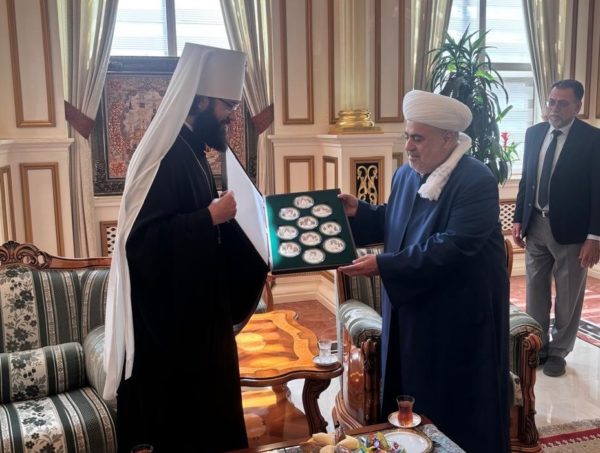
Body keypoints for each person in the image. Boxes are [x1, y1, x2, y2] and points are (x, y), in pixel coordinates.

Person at [103, 43, 268, 452]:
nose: (232, 116)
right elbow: (141, 245)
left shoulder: (192, 150)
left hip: (200, 323)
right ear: (201, 100)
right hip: (173, 338)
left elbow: (201, 225)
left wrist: (254, 246)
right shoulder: (164, 156)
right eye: (228, 105)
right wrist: (208, 217)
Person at [338, 90, 510, 452]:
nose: (409, 146)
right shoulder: (406, 174)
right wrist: (361, 212)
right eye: (407, 136)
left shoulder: (476, 180)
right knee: (407, 394)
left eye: (418, 138)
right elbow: (396, 219)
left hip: (455, 318)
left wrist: (383, 265)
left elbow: (453, 246)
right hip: (411, 309)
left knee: (451, 405)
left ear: (448, 139)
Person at [512, 79, 600, 377]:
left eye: (563, 103)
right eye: (551, 102)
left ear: (578, 106)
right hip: (536, 223)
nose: (554, 109)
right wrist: (518, 218)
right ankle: (538, 345)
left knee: (568, 294)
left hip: (573, 232)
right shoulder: (535, 133)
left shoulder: (592, 139)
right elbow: (527, 179)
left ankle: (559, 351)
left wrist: (594, 236)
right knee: (535, 290)